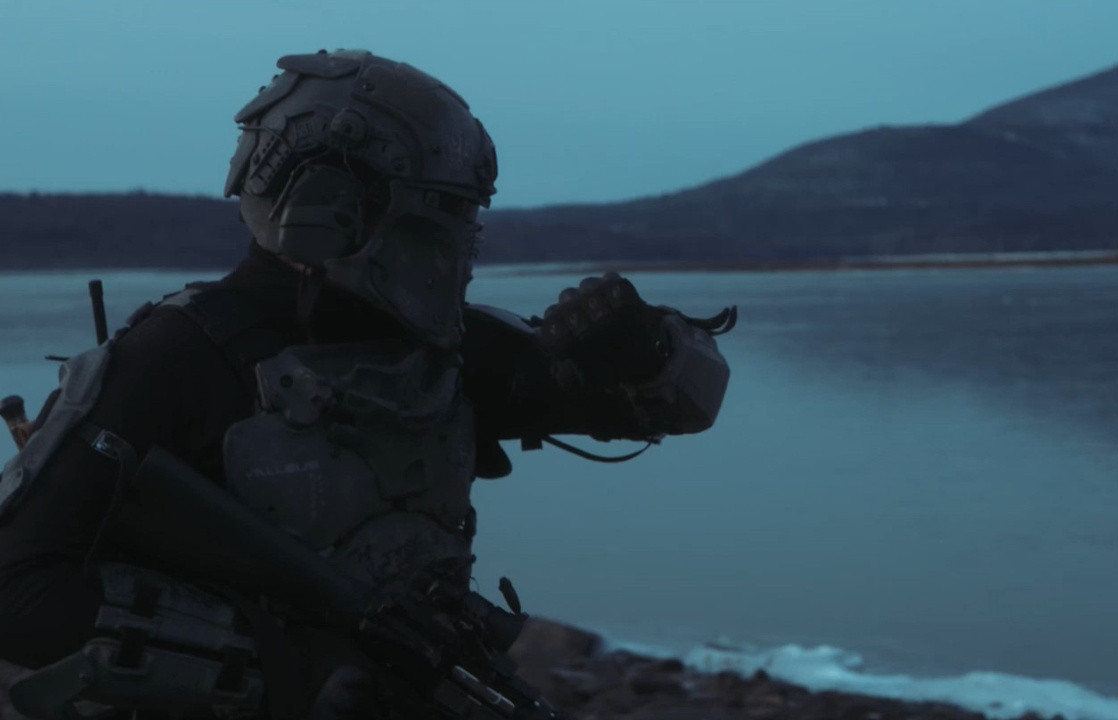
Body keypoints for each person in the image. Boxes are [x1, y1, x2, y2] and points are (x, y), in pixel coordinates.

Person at [0, 50, 732, 718]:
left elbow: (680, 407)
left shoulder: (443, 351)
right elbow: (16, 588)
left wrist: (643, 350)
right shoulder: (173, 358)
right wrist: (286, 666)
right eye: (442, 215)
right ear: (332, 207)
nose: (461, 246)